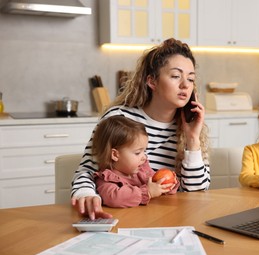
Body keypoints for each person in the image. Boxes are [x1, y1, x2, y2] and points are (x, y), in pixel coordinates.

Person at [71, 38, 210, 219]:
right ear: (152, 81)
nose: (185, 85)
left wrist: (192, 140)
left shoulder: (190, 126)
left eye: (190, 78)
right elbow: (88, 171)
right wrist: (86, 194)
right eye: (176, 76)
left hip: (170, 218)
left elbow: (198, 192)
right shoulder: (119, 118)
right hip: (120, 216)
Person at [92, 115, 179, 208]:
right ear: (115, 154)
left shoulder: (142, 171)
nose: (144, 157)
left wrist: (168, 184)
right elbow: (115, 198)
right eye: (138, 153)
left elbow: (156, 185)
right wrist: (148, 192)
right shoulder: (106, 179)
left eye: (144, 151)